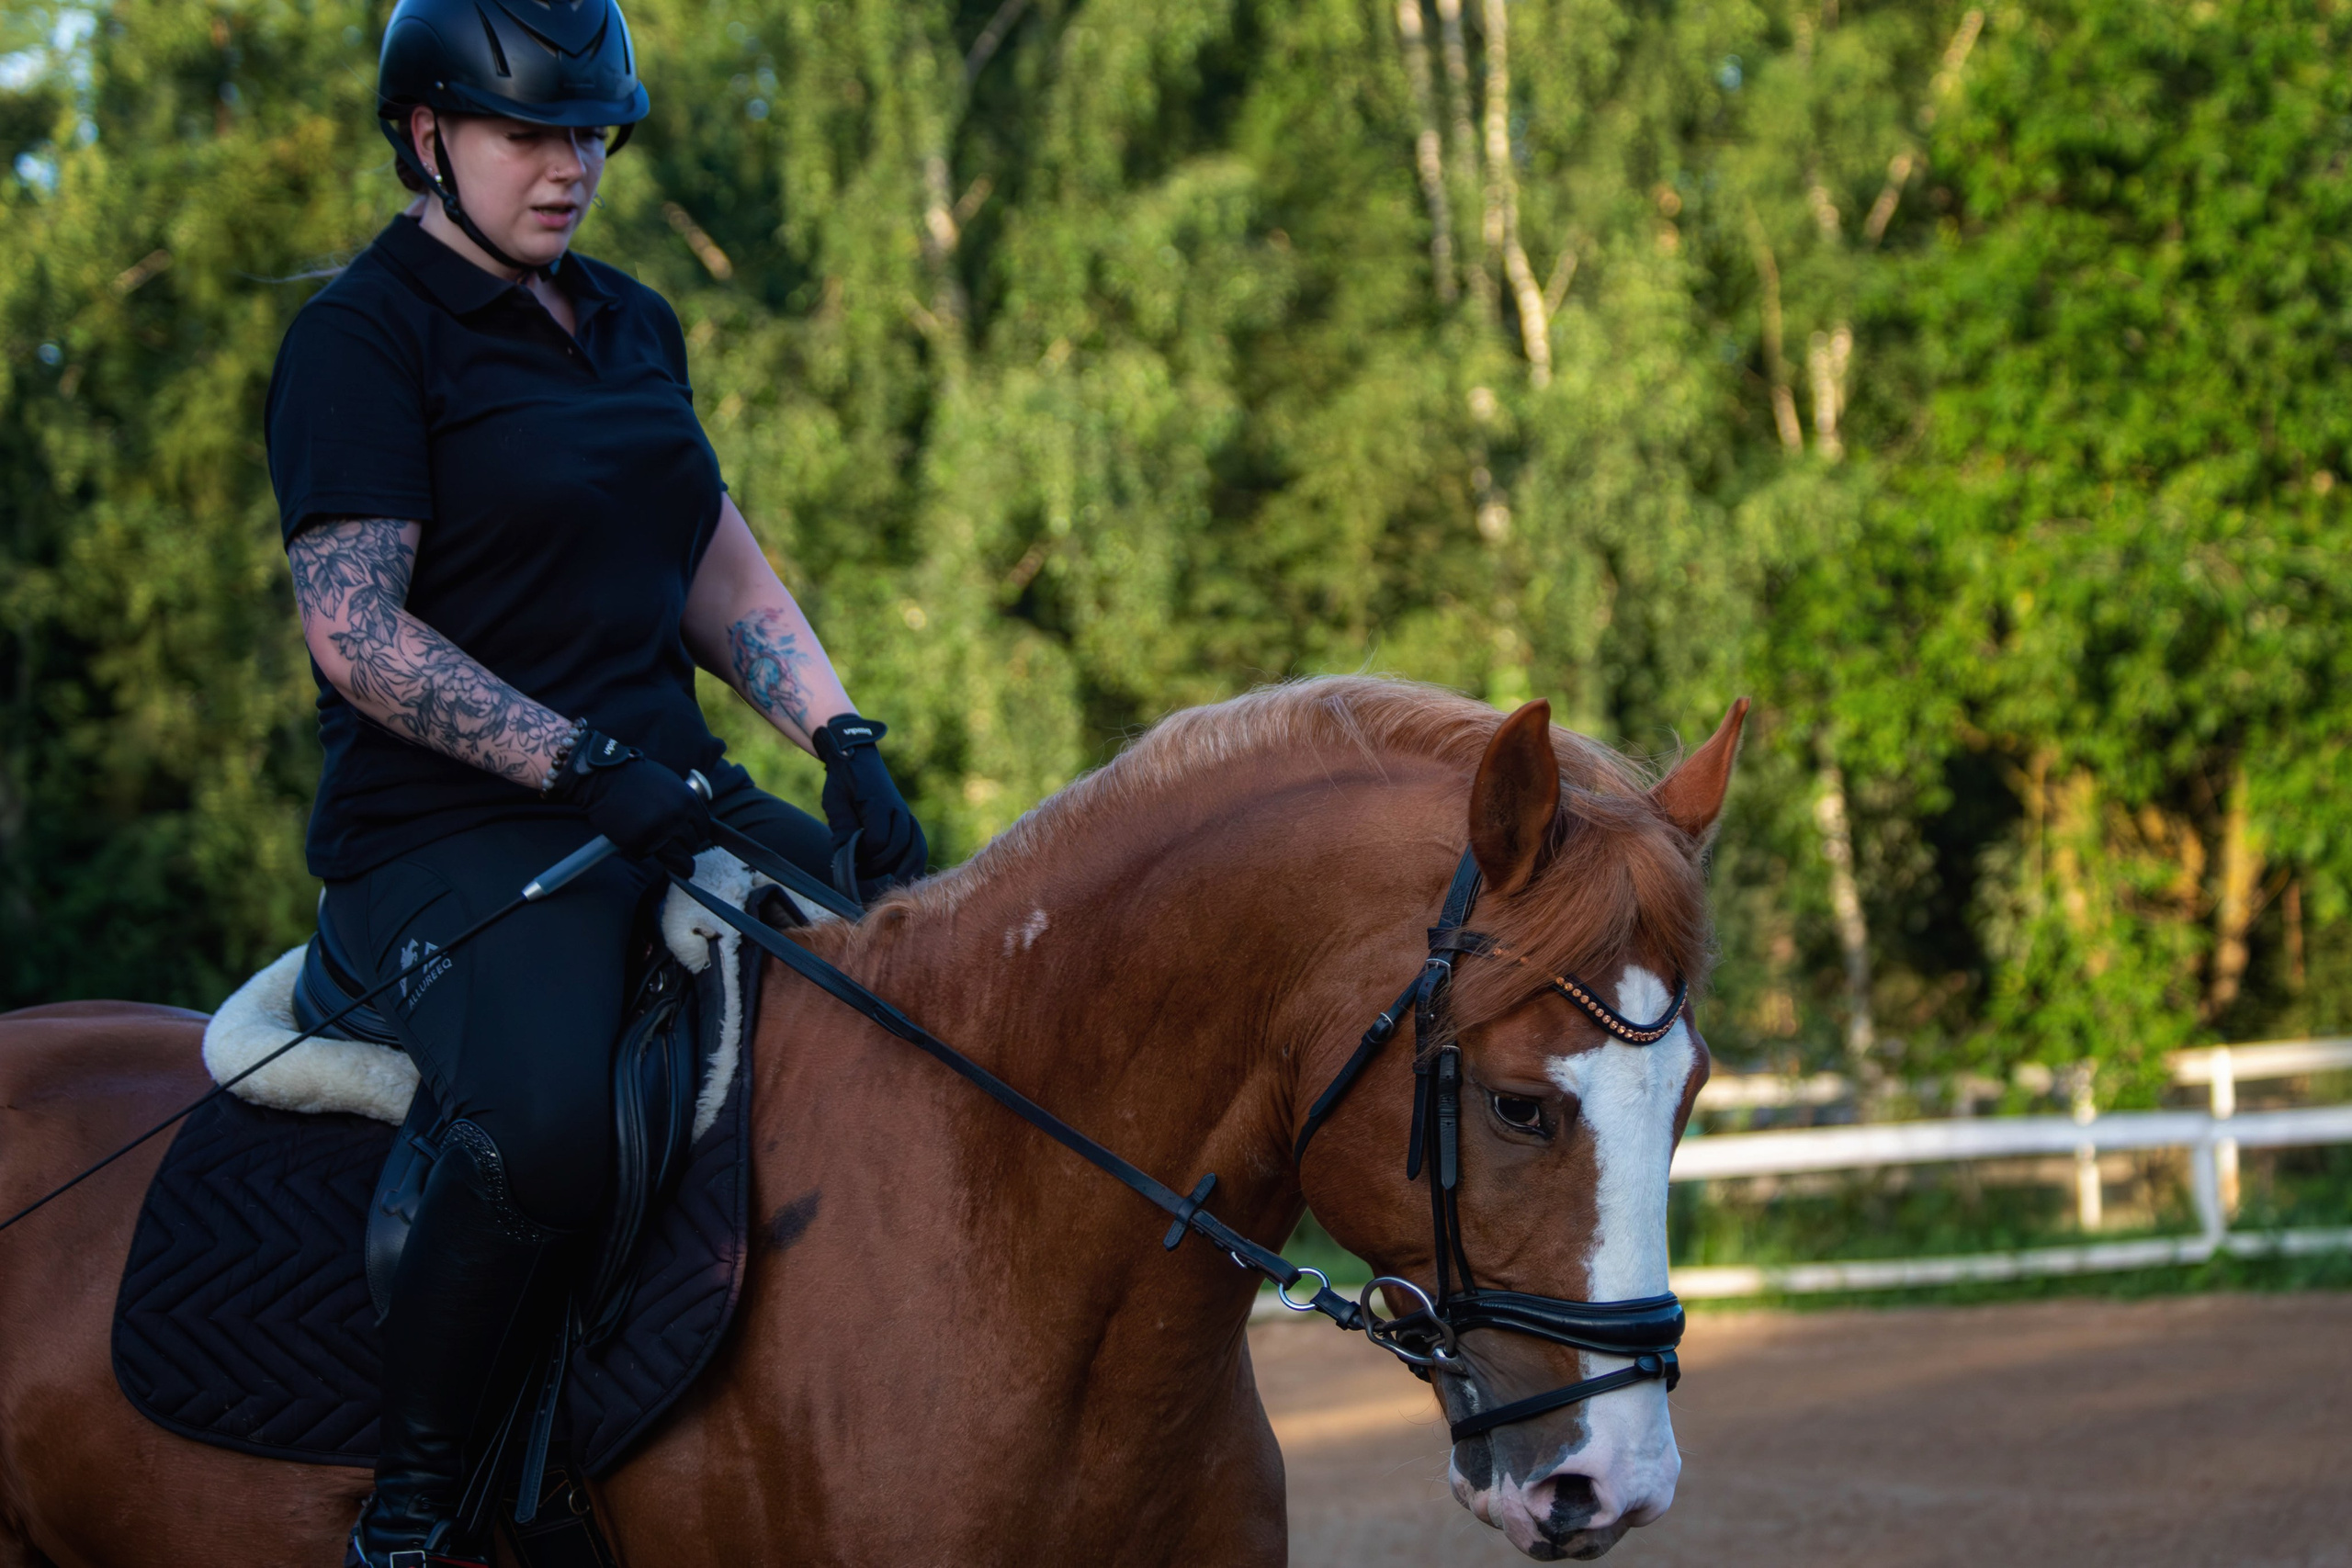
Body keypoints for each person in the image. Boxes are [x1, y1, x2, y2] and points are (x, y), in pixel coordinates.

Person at [263, 1, 928, 1561]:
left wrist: (840, 740)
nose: (571, 168)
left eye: (594, 134)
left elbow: (704, 550)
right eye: (530, 134)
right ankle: (417, 1515)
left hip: (659, 792)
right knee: (549, 1123)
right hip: (449, 831)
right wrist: (578, 756)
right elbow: (357, 634)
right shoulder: (362, 339)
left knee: (931, 987)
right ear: (428, 138)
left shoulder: (629, 319)